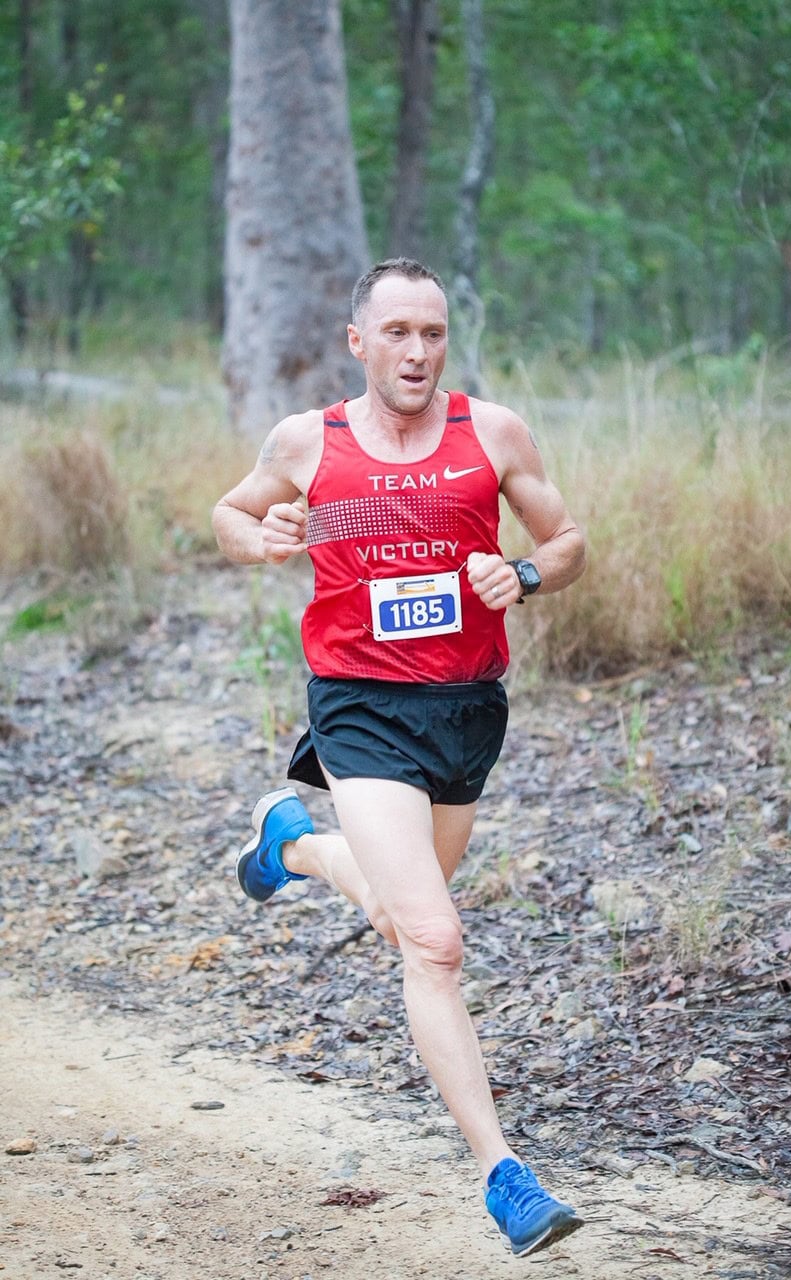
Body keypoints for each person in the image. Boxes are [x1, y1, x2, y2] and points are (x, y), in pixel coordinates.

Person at [212, 258, 587, 1257]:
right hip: (360, 709)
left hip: (466, 708)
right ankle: (504, 1175)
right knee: (433, 940)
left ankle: (289, 841)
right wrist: (265, 537)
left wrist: (519, 572)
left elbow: (566, 540)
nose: (415, 351)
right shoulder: (309, 440)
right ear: (357, 341)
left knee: (392, 911)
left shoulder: (491, 431)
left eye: (431, 333)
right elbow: (230, 511)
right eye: (396, 333)